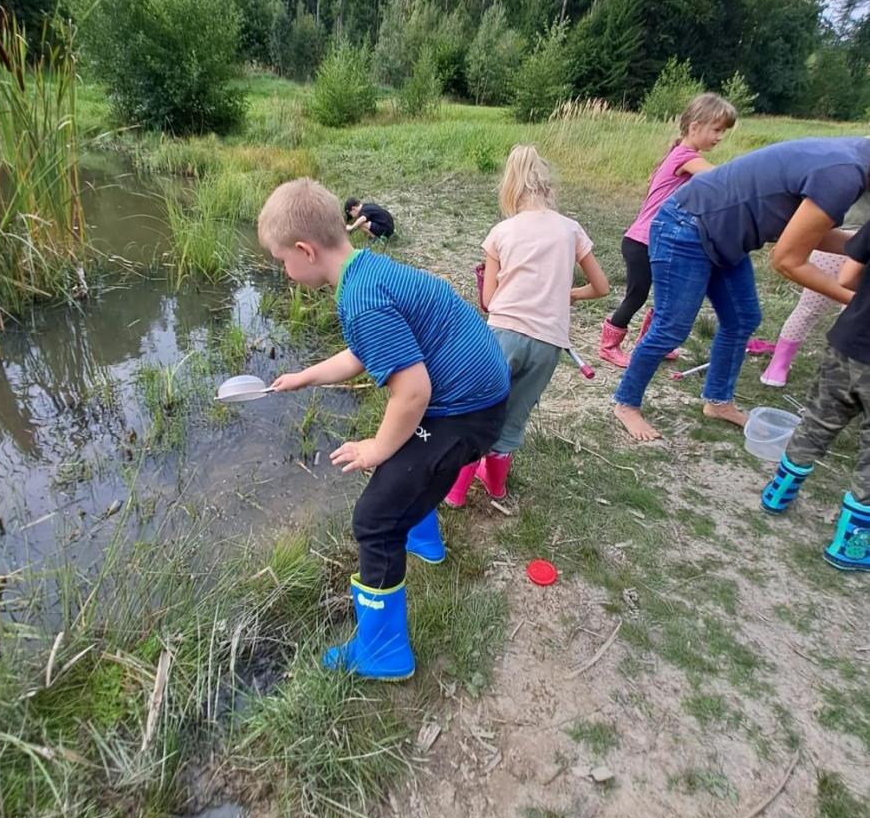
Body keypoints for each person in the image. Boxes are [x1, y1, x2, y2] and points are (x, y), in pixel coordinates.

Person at [257, 178, 510, 680]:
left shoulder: (361, 300)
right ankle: (424, 540)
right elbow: (364, 352)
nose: (285, 272)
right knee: (403, 471)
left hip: (463, 412)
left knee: (374, 518)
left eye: (282, 260)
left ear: (306, 251)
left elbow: (412, 392)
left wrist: (375, 447)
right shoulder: (366, 270)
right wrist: (305, 376)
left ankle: (384, 652)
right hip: (474, 396)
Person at [613, 136, 870, 443]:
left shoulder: (851, 158)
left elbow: (809, 233)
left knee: (742, 318)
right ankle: (626, 403)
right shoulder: (843, 174)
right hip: (687, 225)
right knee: (671, 327)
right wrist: (857, 300)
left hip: (726, 235)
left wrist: (862, 249)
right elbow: (787, 260)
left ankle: (718, 402)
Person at [446, 145, 609, 506]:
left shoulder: (501, 232)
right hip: (549, 343)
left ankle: (455, 494)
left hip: (502, 336)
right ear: (547, 186)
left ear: (510, 188)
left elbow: (488, 301)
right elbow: (602, 288)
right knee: (514, 415)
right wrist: (572, 295)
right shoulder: (571, 229)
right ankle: (496, 486)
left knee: (479, 411)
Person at [761, 221, 870, 570]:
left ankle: (777, 495)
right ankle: (851, 546)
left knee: (818, 421)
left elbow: (848, 276)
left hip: (848, 343)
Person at [599, 94, 737, 368]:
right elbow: (717, 178)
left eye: (724, 131)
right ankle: (608, 346)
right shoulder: (685, 157)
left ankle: (652, 341)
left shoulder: (683, 155)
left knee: (667, 293)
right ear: (695, 127)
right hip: (643, 241)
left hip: (660, 240)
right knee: (636, 295)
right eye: (717, 129)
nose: (720, 137)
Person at [757, 250, 849, 387]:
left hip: (850, 251)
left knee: (849, 316)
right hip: (842, 248)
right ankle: (778, 364)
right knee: (811, 309)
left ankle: (843, 372)